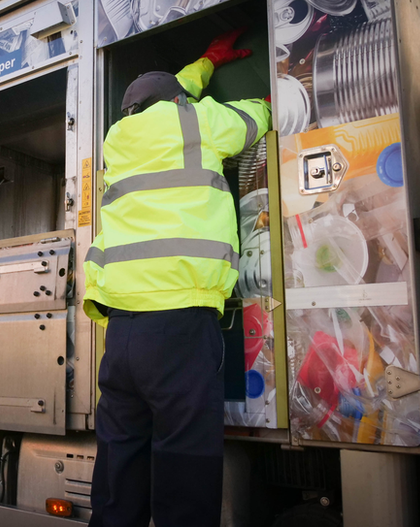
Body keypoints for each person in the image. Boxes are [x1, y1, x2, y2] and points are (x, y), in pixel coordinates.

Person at [85, 29, 271, 527]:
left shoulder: (116, 142)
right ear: (177, 102)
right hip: (180, 329)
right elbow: (256, 118)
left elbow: (170, 94)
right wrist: (275, 90)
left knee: (118, 473)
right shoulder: (200, 120)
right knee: (184, 477)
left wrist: (207, 60)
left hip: (121, 335)